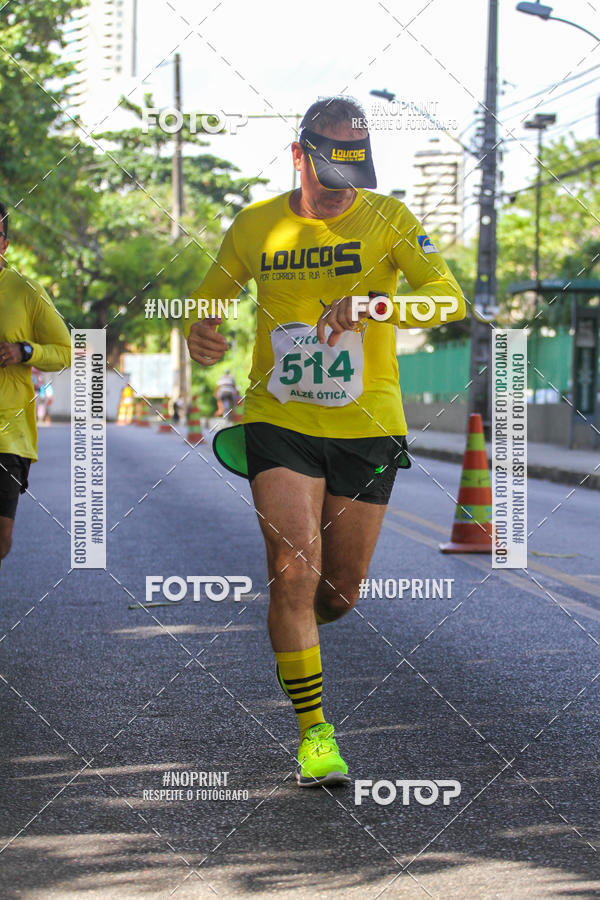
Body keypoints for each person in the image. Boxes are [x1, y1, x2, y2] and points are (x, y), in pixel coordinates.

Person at [186, 97, 466, 787]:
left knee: (337, 592)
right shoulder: (256, 225)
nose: (345, 192)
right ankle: (315, 735)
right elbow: (206, 299)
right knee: (292, 567)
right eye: (332, 173)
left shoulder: (389, 218)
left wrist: (377, 305)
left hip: (366, 425)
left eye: (355, 175)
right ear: (299, 155)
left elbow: (449, 299)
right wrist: (200, 330)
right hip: (279, 418)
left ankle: (297, 624)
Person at [0, 202, 71, 567]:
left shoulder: (25, 291)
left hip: (8, 433)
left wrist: (23, 351)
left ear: (4, 244)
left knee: (2, 536)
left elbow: (64, 352)